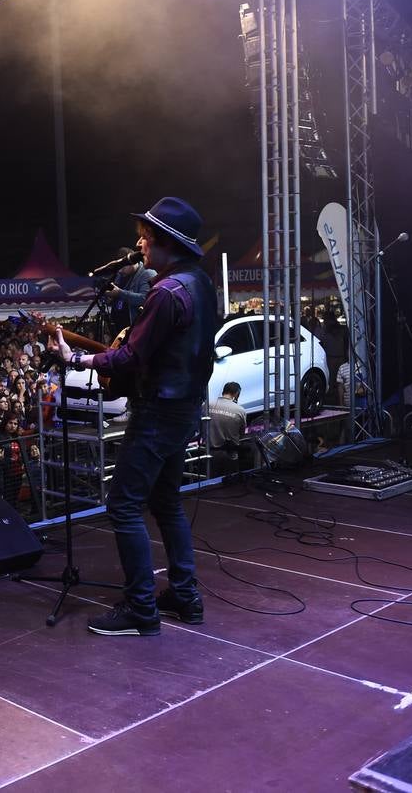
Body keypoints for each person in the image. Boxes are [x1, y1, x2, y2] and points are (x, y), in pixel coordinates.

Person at [59, 197, 219, 636]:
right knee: (166, 503)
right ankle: (186, 598)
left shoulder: (166, 293)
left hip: (157, 412)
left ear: (167, 242)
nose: (140, 244)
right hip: (185, 407)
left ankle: (141, 610)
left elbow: (131, 355)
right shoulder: (201, 284)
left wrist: (77, 359)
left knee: (124, 506)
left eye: (146, 237)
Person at [208, 381, 249, 472]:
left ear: (223, 391)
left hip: (208, 453)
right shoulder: (240, 410)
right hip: (230, 454)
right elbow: (241, 434)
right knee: (230, 483)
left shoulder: (207, 405)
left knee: (208, 483)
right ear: (236, 394)